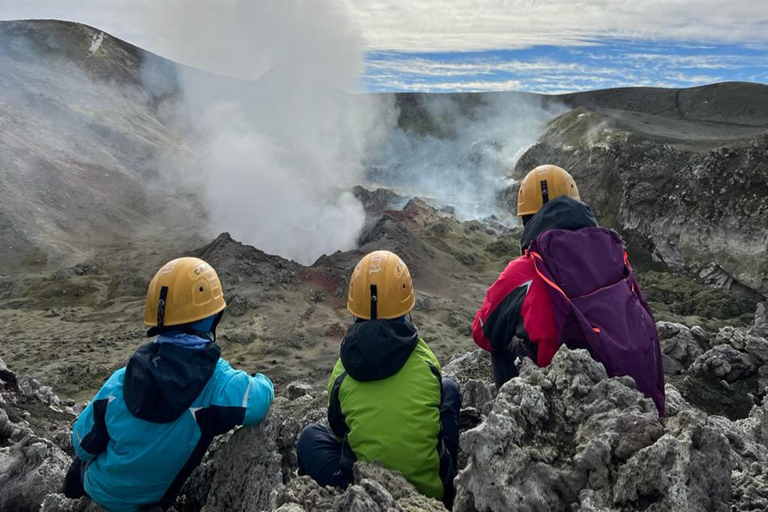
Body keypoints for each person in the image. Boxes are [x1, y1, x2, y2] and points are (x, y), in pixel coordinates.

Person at [63, 257, 274, 511]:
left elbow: (82, 443)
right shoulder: (219, 385)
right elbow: (259, 399)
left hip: (101, 490)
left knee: (82, 462)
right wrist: (264, 379)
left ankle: (68, 494)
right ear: (214, 317)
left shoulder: (120, 380)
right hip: (152, 501)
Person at [472, 165, 665, 415]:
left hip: (569, 396)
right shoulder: (613, 251)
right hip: (639, 394)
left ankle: (508, 414)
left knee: (501, 341)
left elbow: (482, 333)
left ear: (526, 219)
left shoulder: (524, 271)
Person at [296, 250, 461, 508]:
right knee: (448, 388)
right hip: (433, 494)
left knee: (309, 436)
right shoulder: (426, 358)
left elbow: (339, 433)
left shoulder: (342, 370)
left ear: (354, 307)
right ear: (406, 305)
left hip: (365, 492)